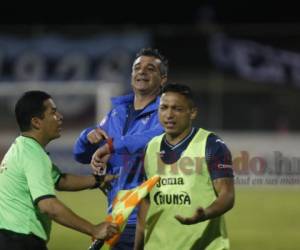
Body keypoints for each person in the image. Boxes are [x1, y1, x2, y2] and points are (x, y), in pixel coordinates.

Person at [73, 48, 168, 249]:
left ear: (162, 80)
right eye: (137, 68)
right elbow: (80, 156)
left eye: (150, 69)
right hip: (118, 214)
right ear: (132, 75)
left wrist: (110, 146)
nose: (142, 72)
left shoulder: (166, 111)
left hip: (151, 217)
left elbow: (153, 140)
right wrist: (87, 137)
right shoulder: (117, 112)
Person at [0, 91, 119, 250]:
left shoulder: (23, 147)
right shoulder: (33, 155)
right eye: (53, 112)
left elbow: (61, 180)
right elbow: (48, 205)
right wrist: (93, 229)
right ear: (36, 122)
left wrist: (99, 180)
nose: (60, 116)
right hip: (20, 241)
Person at [134, 83, 235, 250]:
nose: (169, 115)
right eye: (164, 108)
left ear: (192, 113)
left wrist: (206, 214)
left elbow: (227, 195)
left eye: (177, 109)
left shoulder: (211, 145)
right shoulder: (151, 147)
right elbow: (146, 202)